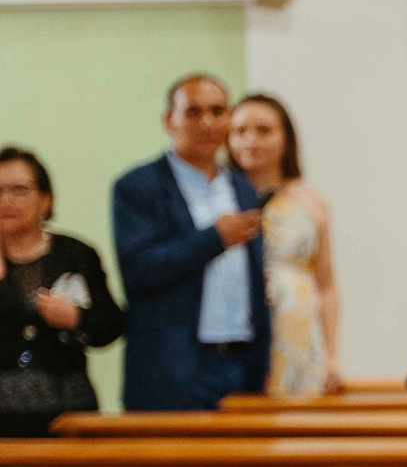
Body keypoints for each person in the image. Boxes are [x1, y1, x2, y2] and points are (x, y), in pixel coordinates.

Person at [111, 74, 269, 411]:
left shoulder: (242, 188)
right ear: (170, 120)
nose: (207, 122)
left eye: (217, 111)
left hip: (243, 364)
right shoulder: (139, 187)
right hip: (175, 367)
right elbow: (139, 271)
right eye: (194, 112)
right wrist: (215, 238)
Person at [0, 146, 125, 435]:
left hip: (68, 416)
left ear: (45, 199)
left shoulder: (76, 254)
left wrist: (77, 319)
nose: (6, 200)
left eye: (19, 190)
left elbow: (111, 325)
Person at [228, 93, 342, 397]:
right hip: (238, 336)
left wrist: (331, 357)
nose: (250, 139)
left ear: (285, 138)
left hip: (296, 329)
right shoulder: (219, 201)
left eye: (263, 130)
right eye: (239, 131)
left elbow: (326, 285)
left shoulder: (311, 202)